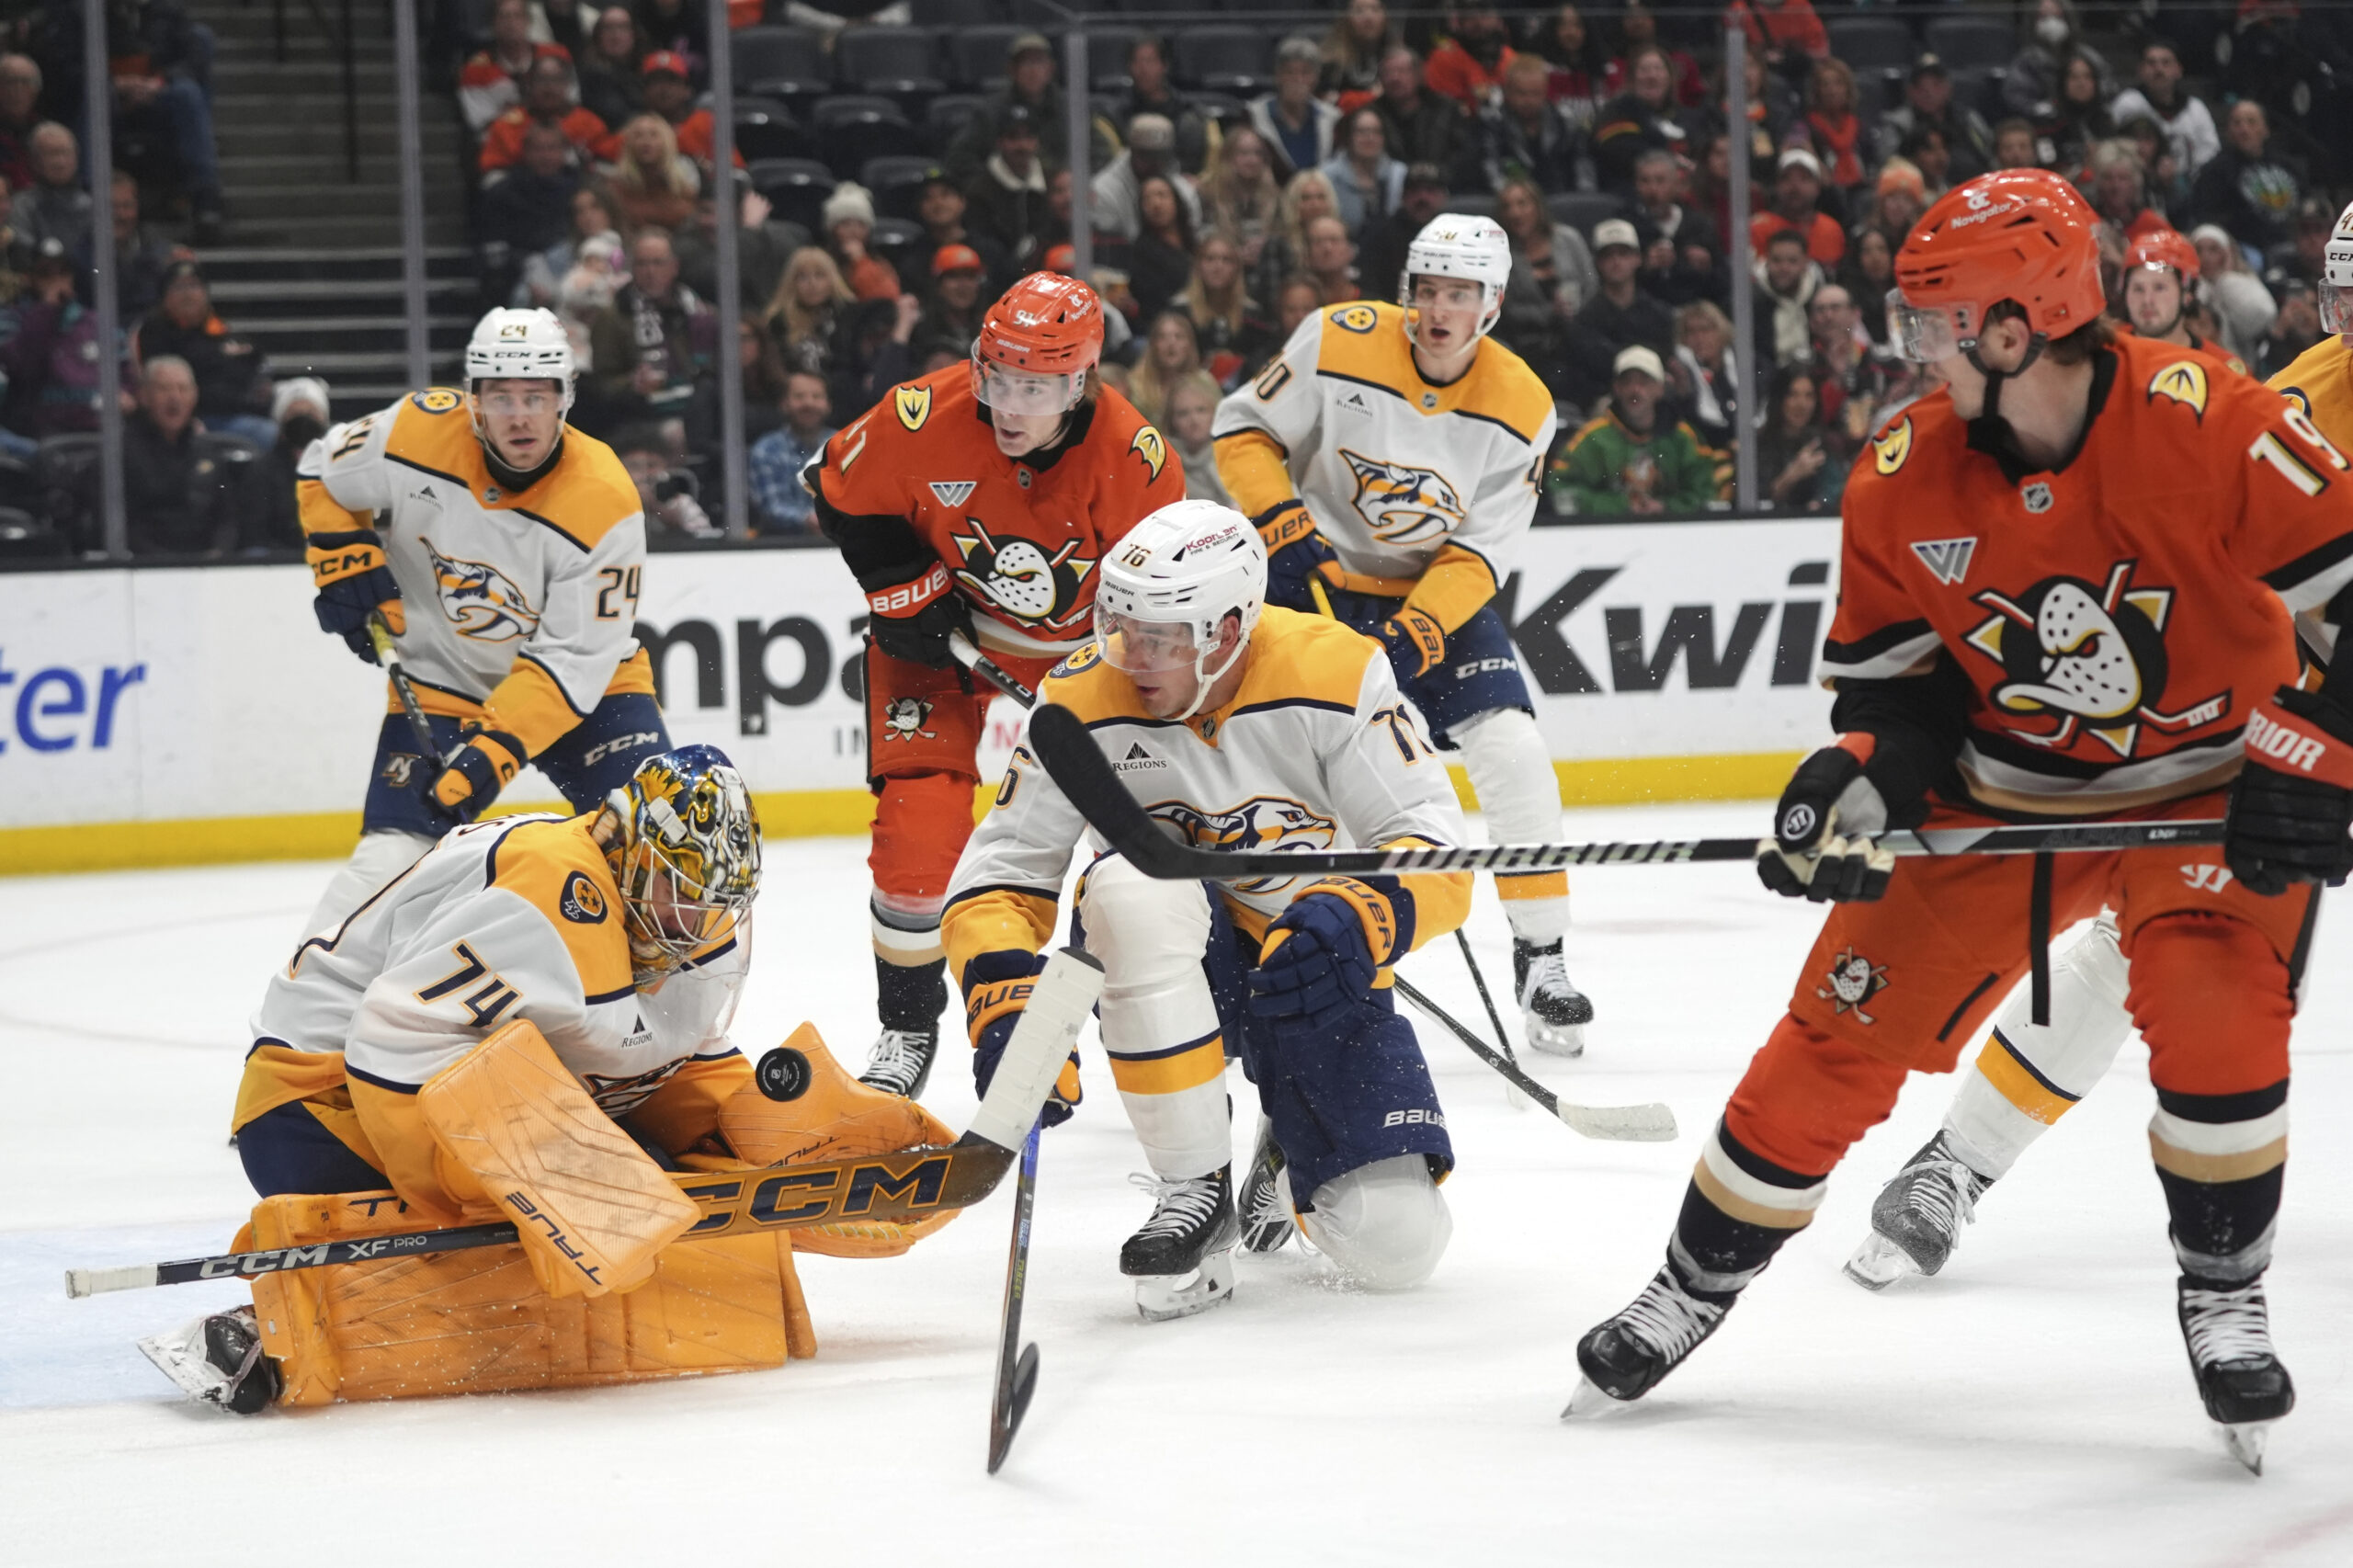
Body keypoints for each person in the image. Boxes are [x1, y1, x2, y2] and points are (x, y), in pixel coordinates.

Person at [1567, 169, 2353, 1476]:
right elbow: (1896, 691)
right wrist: (1856, 772)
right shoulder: (1899, 474)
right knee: (1831, 1035)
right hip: (2008, 796)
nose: (1914, 349)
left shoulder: (2210, 418)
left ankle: (2223, 1292)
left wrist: (2318, 754)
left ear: (2012, 327)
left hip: (2215, 785)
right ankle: (1688, 1286)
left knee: (2218, 1017)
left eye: (1934, 322)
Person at [1836, 197, 2353, 1298]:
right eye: (2347, 299)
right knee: (2149, 949)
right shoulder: (2302, 396)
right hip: (2303, 735)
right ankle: (1959, 1161)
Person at [155, 748, 961, 1414]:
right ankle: (265, 1320)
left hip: (491, 1080)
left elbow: (677, 1057)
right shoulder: (550, 884)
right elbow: (393, 1042)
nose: (697, 928)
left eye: (714, 906)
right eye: (677, 896)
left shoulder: (708, 921)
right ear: (628, 851)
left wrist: (765, 1145)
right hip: (316, 1101)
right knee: (572, 1237)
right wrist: (484, 1194)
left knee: (625, 1218)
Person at [942, 500, 1472, 1316]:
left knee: (1397, 1245)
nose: (1132, 654)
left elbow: (1431, 844)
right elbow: (1003, 870)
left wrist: (1363, 915)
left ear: (1227, 628)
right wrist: (1004, 991)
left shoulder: (1334, 671)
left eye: (1160, 635)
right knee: (1126, 888)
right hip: (1179, 953)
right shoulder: (1079, 698)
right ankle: (1193, 1192)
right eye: (1121, 627)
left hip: (1313, 962)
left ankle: (1290, 1153)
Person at [1215, 215, 1593, 1055]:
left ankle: (1543, 953)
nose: (1437, 309)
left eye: (1458, 293)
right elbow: (1241, 429)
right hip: (1309, 576)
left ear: (1490, 303)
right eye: (1427, 289)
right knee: (1289, 762)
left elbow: (1482, 546)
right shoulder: (1340, 336)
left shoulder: (1523, 401)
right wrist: (1279, 522)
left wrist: (1418, 628)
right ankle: (1273, 942)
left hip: (1433, 600)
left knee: (1515, 752)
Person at [807, 274, 1186, 1098]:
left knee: (1128, 844)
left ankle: (1143, 1012)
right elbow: (834, 486)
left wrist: (1115, 693)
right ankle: (907, 1027)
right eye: (999, 377)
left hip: (1083, 660)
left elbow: (1155, 606)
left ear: (1081, 381)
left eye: (1039, 386)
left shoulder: (1132, 457)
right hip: (939, 641)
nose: (1011, 406)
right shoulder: (923, 414)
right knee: (916, 825)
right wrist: (900, 585)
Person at [292, 307, 671, 931]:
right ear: (472, 401)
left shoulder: (604, 496)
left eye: (535, 396)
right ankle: (304, 1024)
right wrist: (341, 555)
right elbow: (321, 469)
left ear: (564, 399)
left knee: (652, 855)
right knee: (388, 867)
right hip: (444, 685)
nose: (520, 415)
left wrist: (495, 747)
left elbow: (575, 657)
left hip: (592, 693)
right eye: (501, 397)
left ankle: (671, 1022)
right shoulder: (412, 432)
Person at [1548, 344, 1718, 516]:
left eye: (1644, 382)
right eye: (1627, 382)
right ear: (1616, 388)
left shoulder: (1684, 438)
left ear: (1660, 388)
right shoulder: (1592, 438)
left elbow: (1706, 494)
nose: (1635, 390)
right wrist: (1619, 506)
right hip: (1605, 536)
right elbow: (1561, 491)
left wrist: (1666, 507)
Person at [132, 260, 273, 449]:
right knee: (268, 435)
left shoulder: (224, 333)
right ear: (164, 297)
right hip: (193, 419)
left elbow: (255, 371)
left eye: (194, 286)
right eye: (179, 287)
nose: (188, 294)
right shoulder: (155, 333)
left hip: (240, 414)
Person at [586, 228, 710, 433]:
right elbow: (599, 384)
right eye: (642, 264)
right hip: (640, 415)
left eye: (658, 263)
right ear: (632, 268)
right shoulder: (614, 315)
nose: (650, 272)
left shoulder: (699, 310)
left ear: (674, 267)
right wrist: (631, 383)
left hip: (697, 406)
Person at [123, 356, 239, 555]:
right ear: (144, 396)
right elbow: (122, 526)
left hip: (206, 568)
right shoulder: (122, 452)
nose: (174, 397)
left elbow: (227, 518)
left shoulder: (208, 451)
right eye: (164, 389)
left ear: (195, 395)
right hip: (145, 568)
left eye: (183, 389)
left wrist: (219, 553)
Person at [1562, 217, 1675, 412]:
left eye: (1623, 253)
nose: (1616, 261)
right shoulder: (1585, 320)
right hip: (1606, 404)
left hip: (1654, 400)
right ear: (1597, 263)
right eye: (1607, 255)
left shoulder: (1660, 315)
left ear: (1638, 258)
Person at [2188, 100, 2302, 262]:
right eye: (2237, 123)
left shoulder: (2288, 166)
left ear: (2266, 130)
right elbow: (2208, 217)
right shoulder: (2215, 171)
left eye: (2251, 122)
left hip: (2288, 240)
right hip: (2243, 247)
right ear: (2228, 131)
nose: (2244, 129)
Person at [2120, 227, 2246, 372]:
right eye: (2138, 289)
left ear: (2187, 296)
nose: (2147, 300)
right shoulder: (2101, 353)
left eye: (2159, 288)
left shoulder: (2223, 369)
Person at [239, 376, 330, 554]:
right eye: (294, 414)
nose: (303, 421)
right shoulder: (261, 469)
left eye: (311, 414)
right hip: (277, 560)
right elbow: (255, 531)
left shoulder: (340, 466)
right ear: (280, 422)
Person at [479, 55, 614, 174]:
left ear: (567, 84)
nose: (549, 87)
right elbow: (491, 170)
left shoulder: (588, 123)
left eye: (556, 79)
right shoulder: (506, 126)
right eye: (542, 79)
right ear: (529, 84)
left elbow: (607, 161)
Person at [2110, 39, 2219, 186]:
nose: (2158, 69)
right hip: (2135, 183)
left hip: (2187, 185)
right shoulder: (2127, 104)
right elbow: (2111, 148)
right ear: (2140, 70)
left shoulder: (2195, 108)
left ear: (2179, 70)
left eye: (2166, 63)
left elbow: (2210, 152)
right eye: (2151, 63)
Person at [1874, 56, 1991, 184]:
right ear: (1910, 92)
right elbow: (1888, 167)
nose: (1928, 93)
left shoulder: (1968, 119)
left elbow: (1989, 154)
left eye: (1936, 85)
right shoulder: (1897, 124)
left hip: (1975, 188)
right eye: (1921, 87)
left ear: (1948, 88)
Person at [1479, 53, 1583, 195]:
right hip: (1509, 203)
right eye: (1521, 93)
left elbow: (1582, 165)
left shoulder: (1565, 122)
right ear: (1507, 91)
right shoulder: (1492, 123)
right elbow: (1490, 167)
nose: (1529, 101)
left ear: (1546, 91)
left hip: (1560, 200)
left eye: (1536, 93)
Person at [1627, 147, 1720, 306]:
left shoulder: (1699, 225)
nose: (1653, 189)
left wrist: (1707, 267)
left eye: (1660, 180)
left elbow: (1723, 281)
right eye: (1645, 181)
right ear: (1636, 185)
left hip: (1694, 311)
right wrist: (1644, 267)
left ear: (1677, 184)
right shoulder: (1627, 225)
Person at [459, 0, 569, 132]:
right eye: (504, 17)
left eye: (517, 16)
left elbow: (571, 106)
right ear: (493, 23)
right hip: (502, 144)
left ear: (529, 21)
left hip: (555, 141)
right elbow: (481, 126)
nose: (511, 24)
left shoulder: (557, 56)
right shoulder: (475, 70)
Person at [746, 368, 833, 534]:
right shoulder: (767, 450)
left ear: (828, 405)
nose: (809, 403)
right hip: (785, 548)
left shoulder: (847, 446)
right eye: (799, 396)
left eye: (817, 396)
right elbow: (772, 507)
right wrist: (810, 519)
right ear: (784, 404)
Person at [1093, 114, 1199, 248]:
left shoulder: (1184, 190)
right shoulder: (1104, 190)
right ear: (1132, 151)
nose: (1155, 163)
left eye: (1160, 156)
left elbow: (1192, 237)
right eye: (1147, 156)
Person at [963, 105, 1052, 263]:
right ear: (999, 142)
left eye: (1028, 137)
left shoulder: (1052, 181)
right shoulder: (979, 190)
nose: (1022, 145)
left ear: (1037, 142)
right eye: (1013, 137)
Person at [1592, 43, 1685, 195]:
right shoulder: (1616, 112)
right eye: (1644, 70)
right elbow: (1620, 153)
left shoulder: (1683, 115)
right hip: (1627, 197)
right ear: (1631, 78)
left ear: (1669, 77)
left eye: (1659, 69)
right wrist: (1672, 160)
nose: (1652, 76)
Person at [1250, 37, 1342, 181]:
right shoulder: (1254, 115)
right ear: (1278, 76)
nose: (1298, 80)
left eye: (1305, 73)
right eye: (1290, 72)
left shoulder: (1332, 118)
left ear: (1316, 78)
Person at [1371, 46, 1471, 178]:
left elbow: (1464, 154)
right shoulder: (1372, 114)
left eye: (1402, 71)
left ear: (1418, 74)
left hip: (1443, 185)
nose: (1395, 78)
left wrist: (1437, 173)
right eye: (1388, 72)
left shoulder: (1445, 108)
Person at [2190, 223, 2280, 366]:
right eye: (2198, 250)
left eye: (2213, 249)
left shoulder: (2241, 282)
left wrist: (2226, 281)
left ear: (2228, 253)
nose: (2205, 257)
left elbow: (2262, 315)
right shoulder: (2185, 291)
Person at [1752, 363, 1836, 514]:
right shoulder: (1758, 445)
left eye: (1808, 396)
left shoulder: (1824, 443)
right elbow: (1757, 500)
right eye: (1793, 395)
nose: (1801, 405)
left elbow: (1833, 489)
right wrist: (1792, 475)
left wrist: (1820, 504)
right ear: (1780, 399)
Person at [603, 111, 699, 233]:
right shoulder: (616, 187)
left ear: (666, 141)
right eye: (638, 136)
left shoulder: (682, 187)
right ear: (628, 143)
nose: (646, 142)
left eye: (654, 135)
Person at [1748, 148, 1841, 268]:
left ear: (1818, 187)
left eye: (1804, 178)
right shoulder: (1758, 228)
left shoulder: (1831, 230)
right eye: (1786, 178)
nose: (1795, 186)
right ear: (1776, 185)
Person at [1324, 107, 1404, 241]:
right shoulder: (1327, 177)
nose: (1369, 138)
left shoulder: (1399, 174)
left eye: (1376, 132)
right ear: (1349, 136)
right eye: (1361, 132)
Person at [1669, 299, 1738, 449]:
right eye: (1691, 332)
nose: (1699, 338)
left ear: (1721, 331)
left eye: (1705, 330)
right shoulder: (1680, 375)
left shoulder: (1745, 364)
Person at [1127, 175, 1197, 323]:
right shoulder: (1142, 252)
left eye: (1162, 195)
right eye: (1147, 199)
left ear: (1176, 200)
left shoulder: (1194, 242)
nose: (1156, 204)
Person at [1752, 226, 1820, 368]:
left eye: (1792, 261)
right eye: (1776, 260)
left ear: (1805, 263)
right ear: (1766, 261)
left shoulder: (1819, 299)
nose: (1784, 268)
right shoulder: (1752, 302)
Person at [820, 182, 900, 302]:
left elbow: (887, 300)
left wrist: (860, 262)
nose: (854, 231)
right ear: (832, 230)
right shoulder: (819, 261)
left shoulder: (880, 263)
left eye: (861, 224)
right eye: (845, 224)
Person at [1164, 371, 1230, 506]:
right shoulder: (1166, 462)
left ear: (1216, 412)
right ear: (1172, 421)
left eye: (1201, 410)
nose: (1194, 421)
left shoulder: (1234, 453)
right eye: (1183, 413)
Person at [914, 244, 988, 357]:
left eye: (969, 276)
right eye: (954, 276)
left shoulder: (989, 328)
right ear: (938, 285)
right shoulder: (920, 331)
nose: (963, 285)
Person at [1321, 0, 1397, 101]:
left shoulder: (1398, 61)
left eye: (1375, 9)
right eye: (1359, 11)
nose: (1368, 17)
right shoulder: (1329, 64)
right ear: (1346, 19)